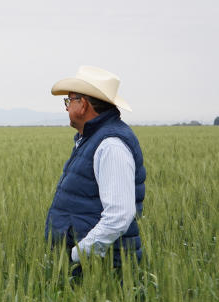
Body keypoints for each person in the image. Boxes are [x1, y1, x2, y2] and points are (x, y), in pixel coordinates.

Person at [45, 66, 146, 270]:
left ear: (83, 104)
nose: (66, 107)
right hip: (91, 264)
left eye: (69, 100)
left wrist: (78, 253)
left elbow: (119, 215)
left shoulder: (111, 145)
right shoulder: (93, 139)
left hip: (100, 267)